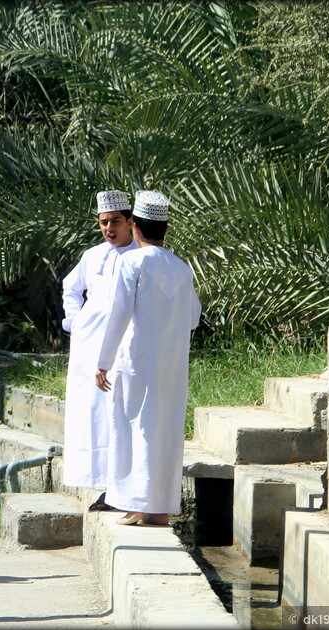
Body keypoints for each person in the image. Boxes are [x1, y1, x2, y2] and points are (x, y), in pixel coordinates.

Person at [94, 190, 201, 526]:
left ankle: (139, 505)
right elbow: (194, 317)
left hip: (137, 363)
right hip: (172, 366)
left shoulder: (131, 262)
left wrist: (102, 361)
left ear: (135, 227)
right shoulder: (182, 269)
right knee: (164, 431)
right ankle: (158, 509)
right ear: (165, 230)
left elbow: (118, 313)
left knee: (135, 429)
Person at [62, 189, 137, 511]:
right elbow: (71, 288)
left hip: (123, 346)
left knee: (119, 413)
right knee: (91, 415)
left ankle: (121, 489)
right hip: (87, 347)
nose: (110, 229)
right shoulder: (92, 256)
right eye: (104, 223)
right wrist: (75, 321)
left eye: (116, 222)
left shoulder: (141, 256)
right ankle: (103, 485)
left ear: (130, 222)